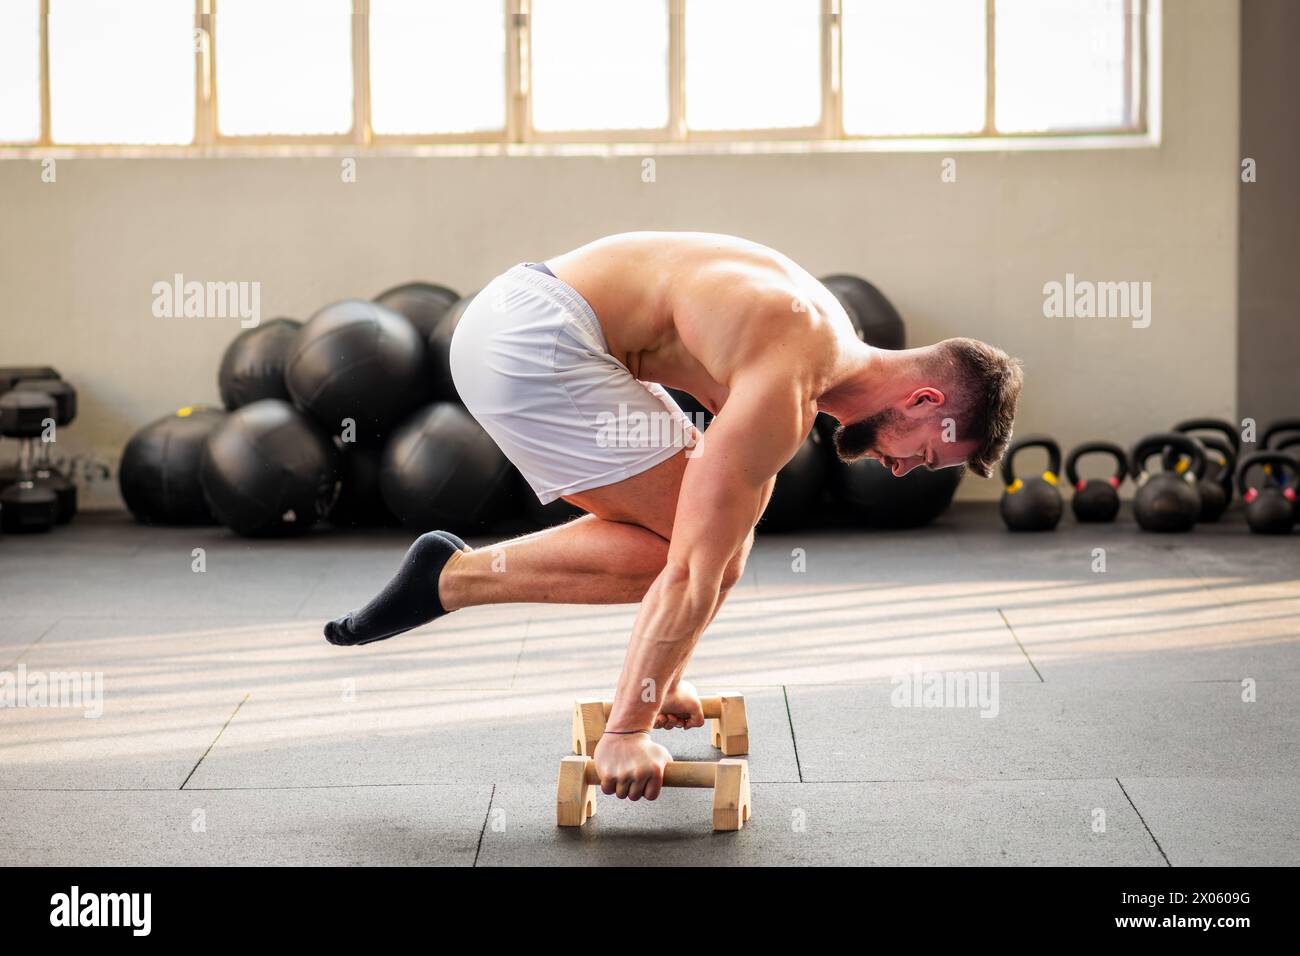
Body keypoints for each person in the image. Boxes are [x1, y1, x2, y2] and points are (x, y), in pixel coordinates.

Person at [324, 231, 1023, 803]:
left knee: (725, 536)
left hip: (534, 321)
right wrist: (625, 732)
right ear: (927, 399)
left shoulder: (818, 346)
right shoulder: (789, 376)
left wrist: (664, 676)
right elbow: (692, 566)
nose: (903, 469)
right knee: (691, 553)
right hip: (532, 340)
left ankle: (458, 579)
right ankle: (457, 580)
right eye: (924, 454)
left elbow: (720, 542)